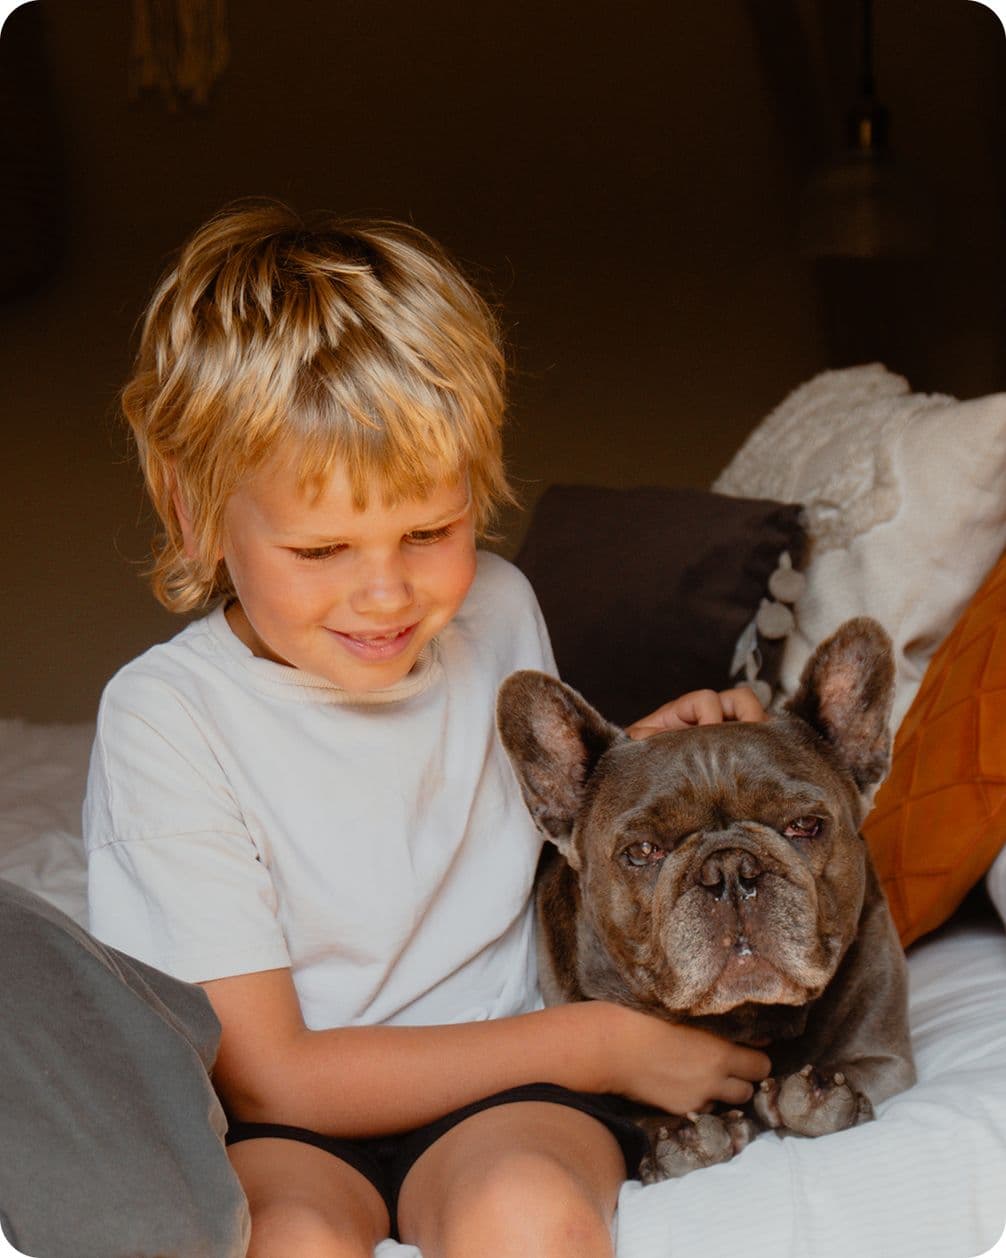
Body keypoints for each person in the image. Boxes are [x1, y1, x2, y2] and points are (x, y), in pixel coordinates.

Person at [84, 201, 770, 1258]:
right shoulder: (166, 716)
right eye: (321, 550)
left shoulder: (495, 603)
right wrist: (600, 1044)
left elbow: (517, 816)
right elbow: (271, 1071)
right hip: (286, 1118)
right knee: (285, 1239)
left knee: (528, 1216)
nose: (386, 594)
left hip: (507, 1086)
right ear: (194, 511)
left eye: (428, 530)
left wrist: (642, 756)